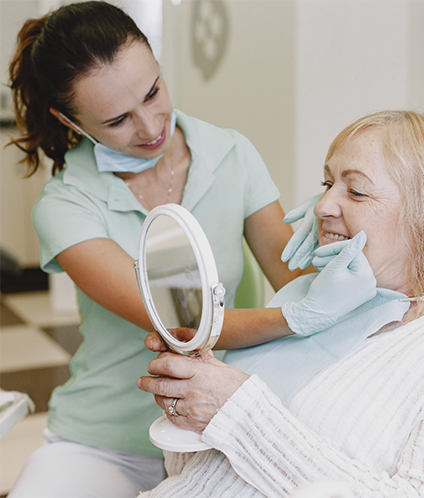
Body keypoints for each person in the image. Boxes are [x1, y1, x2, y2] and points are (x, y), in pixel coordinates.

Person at [5, 2, 320, 496]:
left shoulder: (230, 153)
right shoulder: (66, 203)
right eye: (116, 120)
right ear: (69, 119)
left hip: (219, 426)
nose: (151, 128)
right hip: (108, 440)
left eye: (153, 93)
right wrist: (308, 314)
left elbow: (295, 278)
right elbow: (180, 322)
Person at [137, 110, 424, 498]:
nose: (322, 206)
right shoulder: (320, 298)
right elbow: (195, 476)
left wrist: (234, 410)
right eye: (326, 184)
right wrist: (192, 400)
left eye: (356, 190)